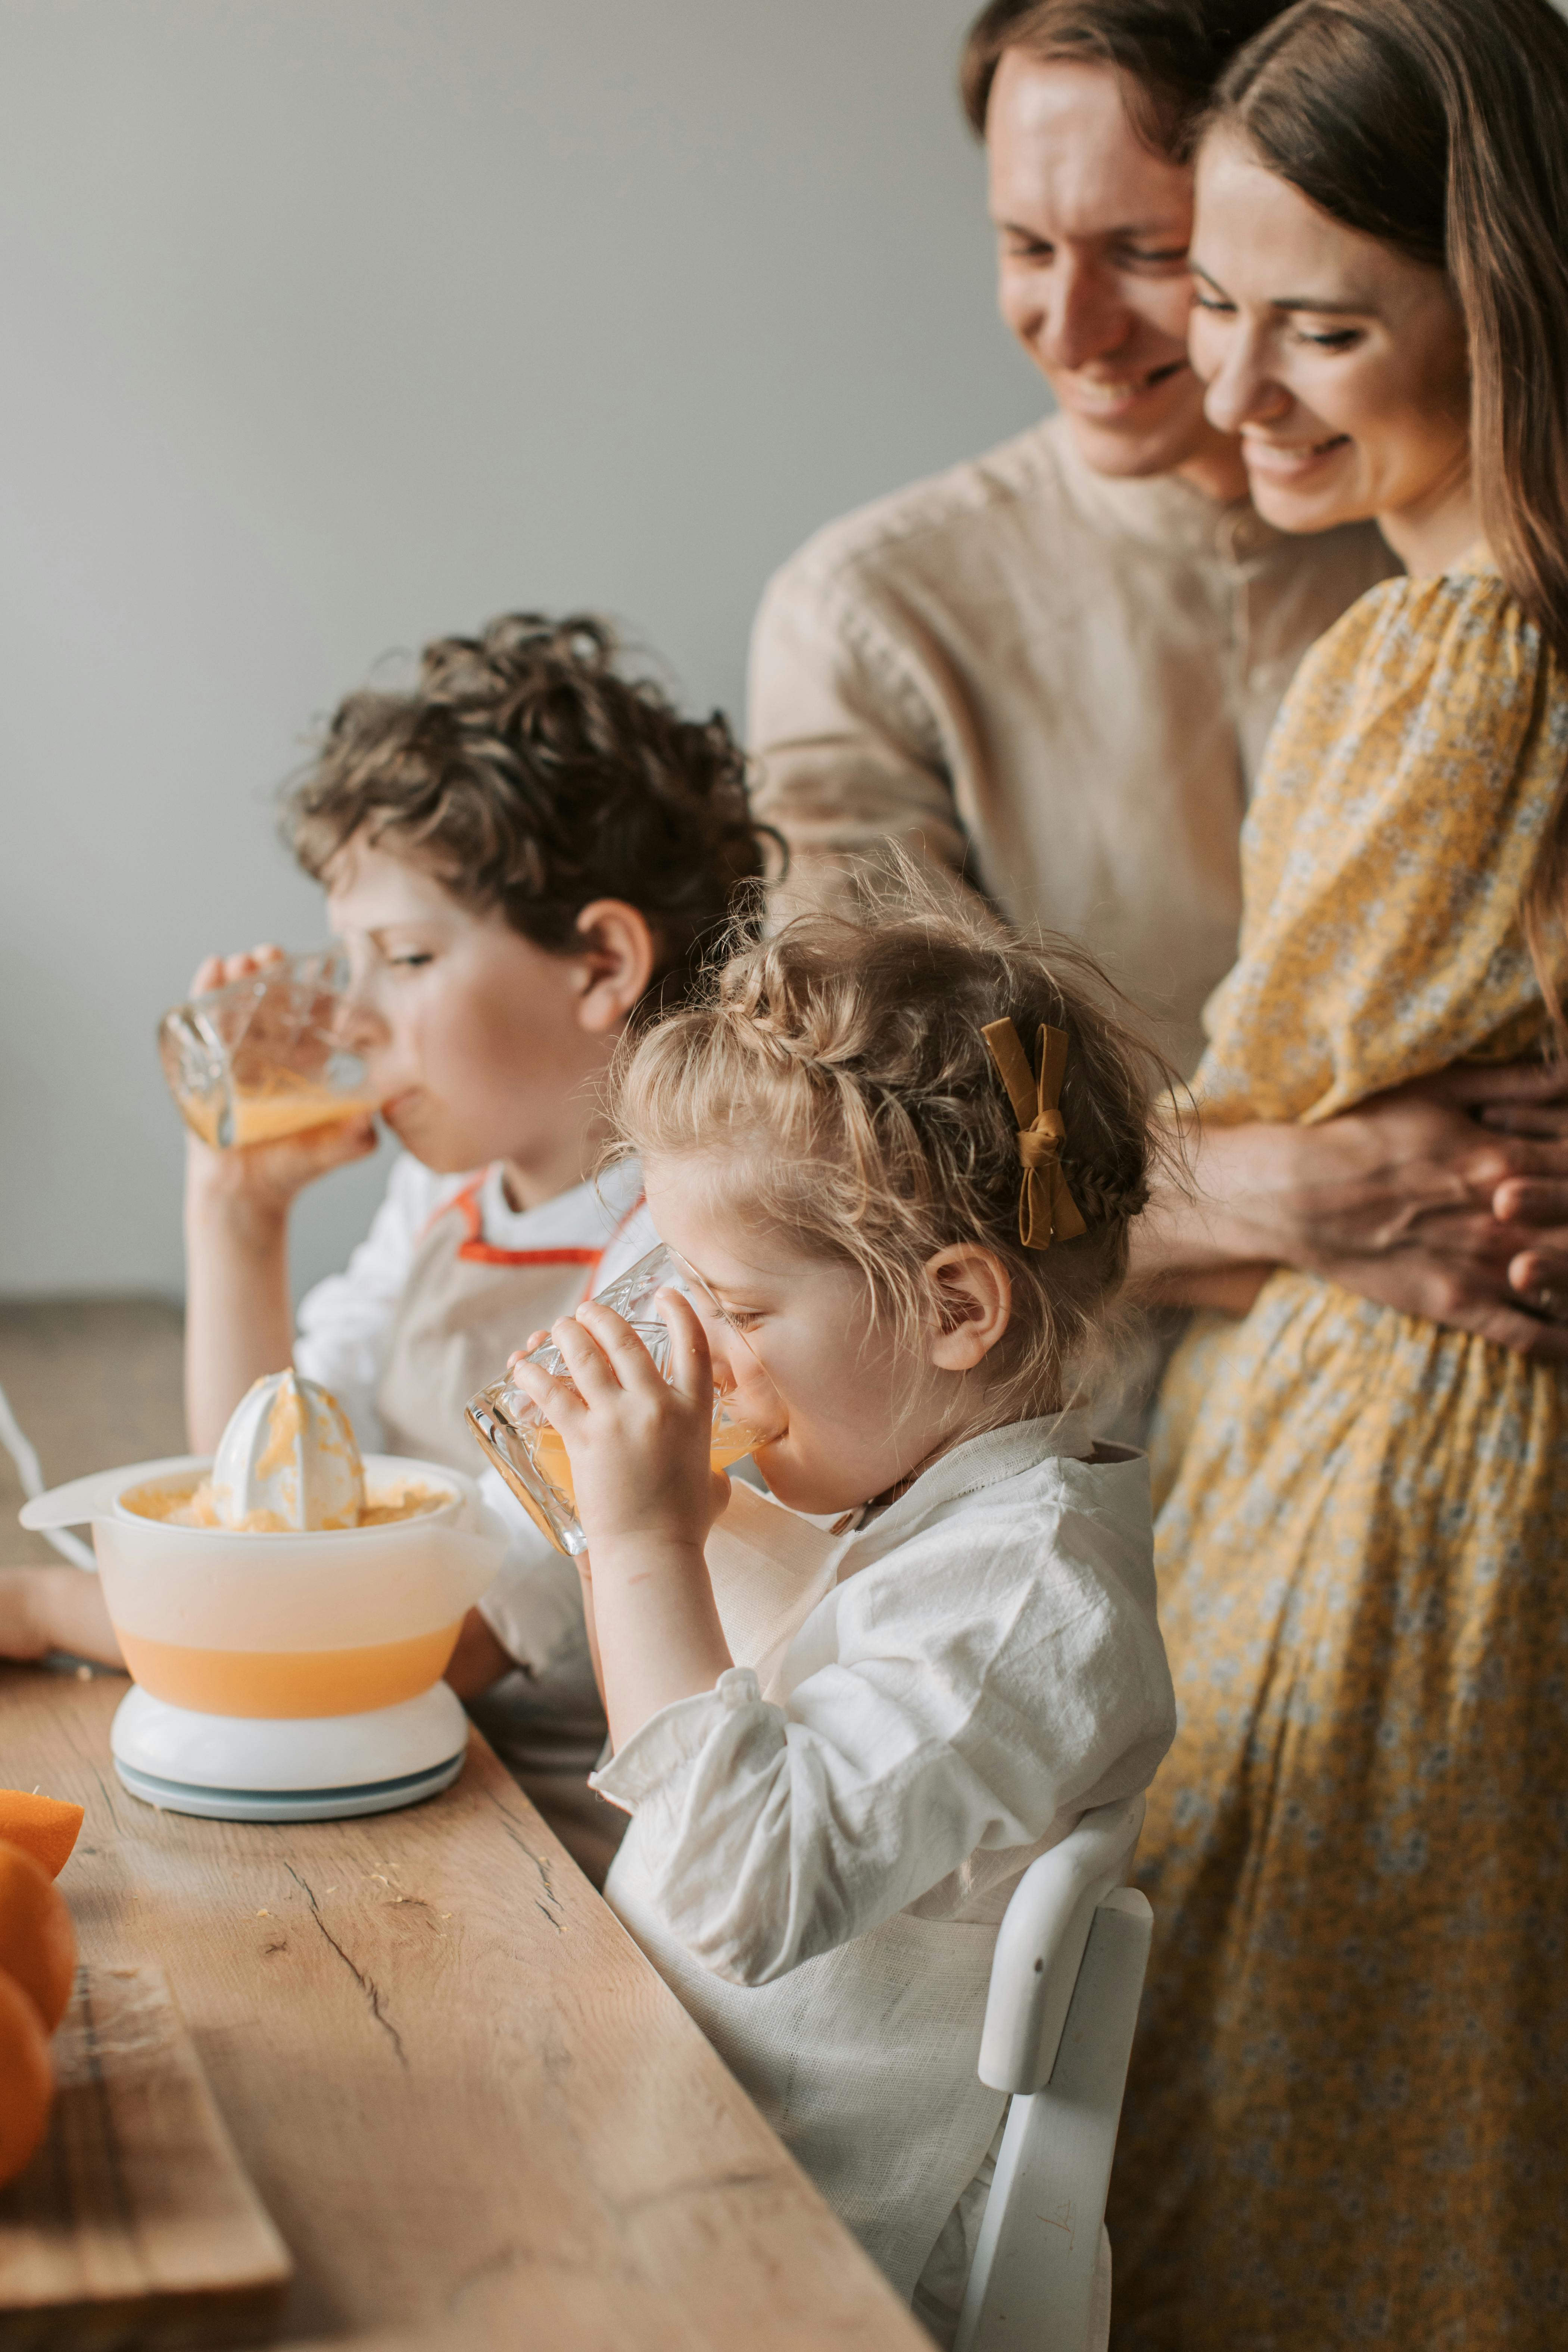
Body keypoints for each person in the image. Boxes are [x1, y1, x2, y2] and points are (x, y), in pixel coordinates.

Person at [749, 0, 1568, 1369]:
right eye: (1023, 246)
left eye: (1150, 254)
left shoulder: (1479, 551)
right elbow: (845, 1155)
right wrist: (1282, 1189)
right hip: (1069, 1450)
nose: (1071, 325)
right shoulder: (872, 615)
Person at [1103, 4, 1568, 2343]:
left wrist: (1195, 1149)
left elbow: (1221, 1110)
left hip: (1404, 1483)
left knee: (1288, 2158)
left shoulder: (1446, 659)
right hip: (1447, 1445)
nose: (1236, 384)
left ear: (1507, 308)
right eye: (1216, 301)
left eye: (1321, 327)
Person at [0, 613, 773, 1883]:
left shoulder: (682, 1267)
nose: (352, 1017)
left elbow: (419, 1643)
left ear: (600, 963)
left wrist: (38, 1609)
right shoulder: (448, 1199)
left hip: (547, 1859)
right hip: (392, 1774)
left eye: (405, 958)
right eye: (345, 960)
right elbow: (261, 1485)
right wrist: (237, 1217)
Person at [508, 892, 1176, 2347]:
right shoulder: (902, 1491)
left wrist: (636, 1538)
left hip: (790, 2257)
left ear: (953, 1308)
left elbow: (740, 1892)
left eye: (734, 1312)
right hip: (660, 2138)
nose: (699, 1352)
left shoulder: (1026, 1599)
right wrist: (628, 1505)